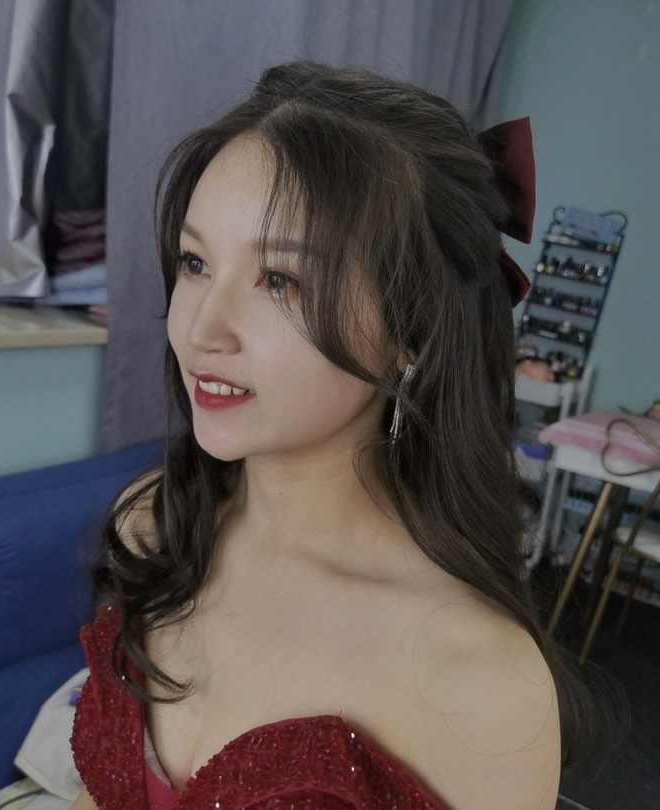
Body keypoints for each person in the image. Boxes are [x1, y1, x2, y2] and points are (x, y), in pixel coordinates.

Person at [71, 61, 592, 810]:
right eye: (196, 262)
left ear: (413, 333)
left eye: (281, 280)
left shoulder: (479, 679)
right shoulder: (157, 523)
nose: (203, 328)